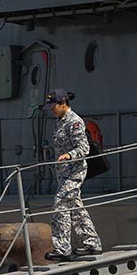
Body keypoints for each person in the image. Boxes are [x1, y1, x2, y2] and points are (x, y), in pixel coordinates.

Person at [43, 88, 102, 262]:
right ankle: (92, 243)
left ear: (63, 103)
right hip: (63, 173)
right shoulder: (60, 121)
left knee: (60, 204)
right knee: (76, 208)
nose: (52, 110)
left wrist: (69, 155)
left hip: (74, 171)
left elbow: (84, 148)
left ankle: (62, 249)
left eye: (54, 106)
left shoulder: (74, 122)